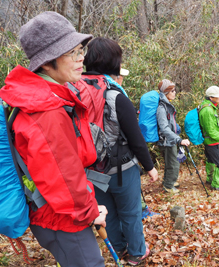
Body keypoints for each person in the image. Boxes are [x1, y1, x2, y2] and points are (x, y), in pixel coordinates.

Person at [0, 11, 107, 267]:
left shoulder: (47, 97)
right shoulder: (46, 110)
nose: (81, 57)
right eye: (72, 52)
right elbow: (63, 178)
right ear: (46, 63)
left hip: (57, 213)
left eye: (81, 49)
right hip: (63, 218)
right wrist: (91, 212)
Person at [82, 37, 158, 266]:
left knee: (107, 213)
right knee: (131, 213)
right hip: (122, 169)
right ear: (114, 62)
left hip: (91, 170)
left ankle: (118, 248)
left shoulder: (74, 90)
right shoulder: (115, 95)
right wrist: (150, 167)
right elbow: (136, 139)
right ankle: (136, 253)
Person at [156, 79, 190, 193]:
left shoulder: (167, 105)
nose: (175, 93)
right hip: (167, 140)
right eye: (172, 91)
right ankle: (168, 186)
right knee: (173, 164)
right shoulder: (162, 108)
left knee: (170, 162)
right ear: (166, 92)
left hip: (170, 139)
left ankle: (168, 180)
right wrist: (178, 139)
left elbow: (171, 123)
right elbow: (164, 128)